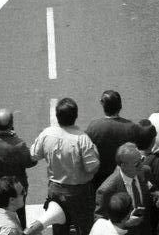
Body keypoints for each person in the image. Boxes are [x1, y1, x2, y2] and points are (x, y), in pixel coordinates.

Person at [31, 97, 100, 235]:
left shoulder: (47, 134)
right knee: (85, 228)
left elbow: (34, 155)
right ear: (76, 116)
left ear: (57, 116)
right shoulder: (83, 139)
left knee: (59, 228)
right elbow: (92, 168)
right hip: (80, 193)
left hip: (55, 190)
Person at [86, 90, 139, 187]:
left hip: (99, 180)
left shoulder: (94, 127)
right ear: (120, 106)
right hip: (125, 179)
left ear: (103, 105)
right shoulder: (131, 127)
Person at [94, 144, 150, 235]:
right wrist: (124, 223)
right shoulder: (106, 190)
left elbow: (149, 188)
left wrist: (157, 193)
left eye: (142, 160)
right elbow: (100, 221)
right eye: (136, 164)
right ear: (123, 165)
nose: (141, 165)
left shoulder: (144, 171)